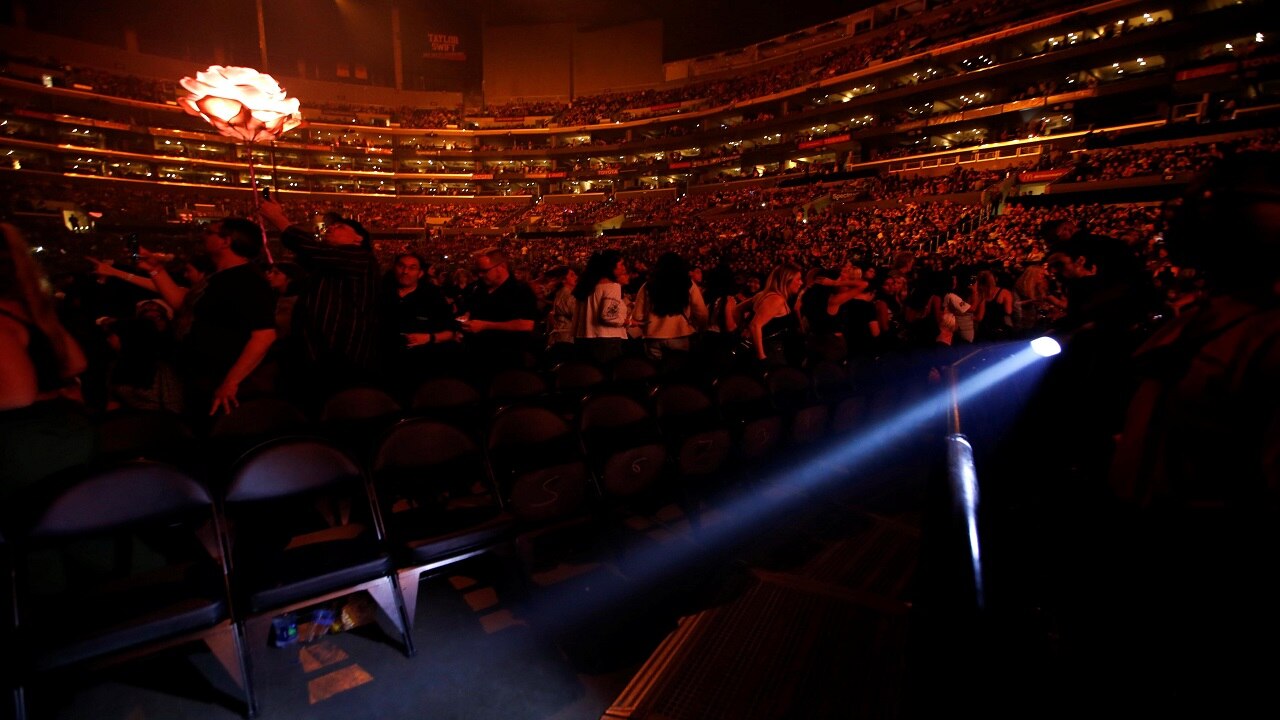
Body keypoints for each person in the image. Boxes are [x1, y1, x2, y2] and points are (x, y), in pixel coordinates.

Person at [144, 217, 276, 420]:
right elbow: (185, 305)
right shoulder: (219, 277)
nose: (203, 236)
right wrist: (155, 270)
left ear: (226, 241)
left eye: (209, 232)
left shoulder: (247, 282)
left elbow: (264, 335)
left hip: (220, 383)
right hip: (200, 378)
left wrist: (231, 382)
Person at [1, 222, 93, 500]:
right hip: (69, 435)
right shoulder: (28, 309)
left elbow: (19, 395)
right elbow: (76, 364)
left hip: (26, 448)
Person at [258, 200, 380, 394]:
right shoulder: (331, 263)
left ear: (358, 240)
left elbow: (311, 249)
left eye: (340, 227)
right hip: (320, 356)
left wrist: (278, 218)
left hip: (339, 358)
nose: (331, 227)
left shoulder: (360, 257)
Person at [378, 252, 459, 392]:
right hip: (385, 364)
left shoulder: (432, 295)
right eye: (401, 266)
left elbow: (450, 332)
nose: (405, 271)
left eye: (412, 268)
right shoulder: (381, 292)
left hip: (422, 365)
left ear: (420, 273)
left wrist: (428, 338)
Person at [458, 247, 540, 377]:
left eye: (484, 271)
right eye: (478, 271)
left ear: (501, 267)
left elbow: (526, 324)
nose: (480, 275)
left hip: (507, 359)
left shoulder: (520, 291)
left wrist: (485, 325)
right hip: (476, 357)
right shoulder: (476, 289)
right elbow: (469, 310)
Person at [632, 251, 708, 363]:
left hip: (653, 337)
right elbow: (702, 313)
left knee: (656, 373)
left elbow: (637, 316)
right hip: (680, 335)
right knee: (677, 374)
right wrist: (700, 328)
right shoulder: (688, 285)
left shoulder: (648, 286)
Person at [735, 262, 802, 370]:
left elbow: (737, 309)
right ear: (786, 280)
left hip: (769, 349)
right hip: (770, 352)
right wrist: (762, 357)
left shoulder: (763, 295)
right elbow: (755, 325)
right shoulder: (776, 299)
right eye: (798, 279)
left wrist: (741, 328)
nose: (801, 282)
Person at [571, 249, 631, 365]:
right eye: (621, 264)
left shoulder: (586, 286)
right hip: (605, 341)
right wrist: (626, 322)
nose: (624, 268)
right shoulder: (612, 287)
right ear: (611, 266)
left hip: (582, 340)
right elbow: (609, 317)